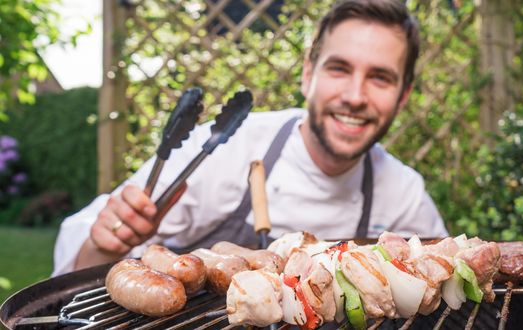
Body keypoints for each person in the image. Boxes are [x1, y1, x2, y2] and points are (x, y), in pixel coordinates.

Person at [52, 0, 448, 276]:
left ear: (403, 96)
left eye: (380, 77)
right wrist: (106, 245)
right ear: (308, 74)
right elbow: (81, 262)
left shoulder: (402, 195)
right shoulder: (227, 149)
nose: (355, 96)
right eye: (339, 69)